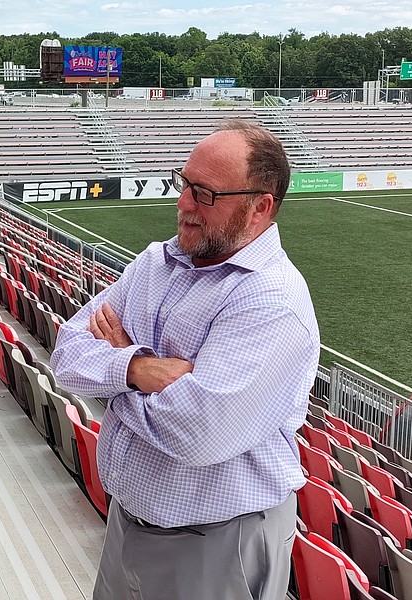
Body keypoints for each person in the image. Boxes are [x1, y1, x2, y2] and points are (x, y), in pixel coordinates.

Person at [51, 119, 320, 600]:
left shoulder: (270, 301)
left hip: (215, 543)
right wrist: (138, 369)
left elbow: (198, 432)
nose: (183, 204)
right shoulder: (158, 261)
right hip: (127, 524)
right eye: (184, 183)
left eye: (205, 194)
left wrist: (113, 379)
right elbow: (67, 353)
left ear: (260, 208)